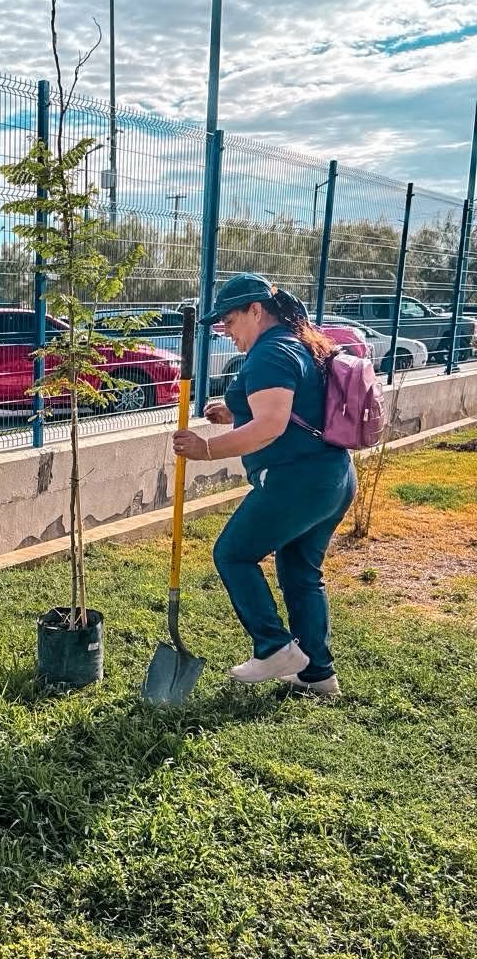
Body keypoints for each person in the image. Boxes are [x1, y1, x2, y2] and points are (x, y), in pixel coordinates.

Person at [173, 273, 356, 698]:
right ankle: (317, 675)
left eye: (230, 321)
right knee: (299, 572)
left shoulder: (269, 353)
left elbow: (271, 426)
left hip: (297, 480)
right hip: (333, 478)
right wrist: (233, 414)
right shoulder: (299, 343)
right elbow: (289, 408)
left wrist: (206, 449)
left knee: (233, 553)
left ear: (257, 311)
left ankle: (274, 647)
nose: (225, 331)